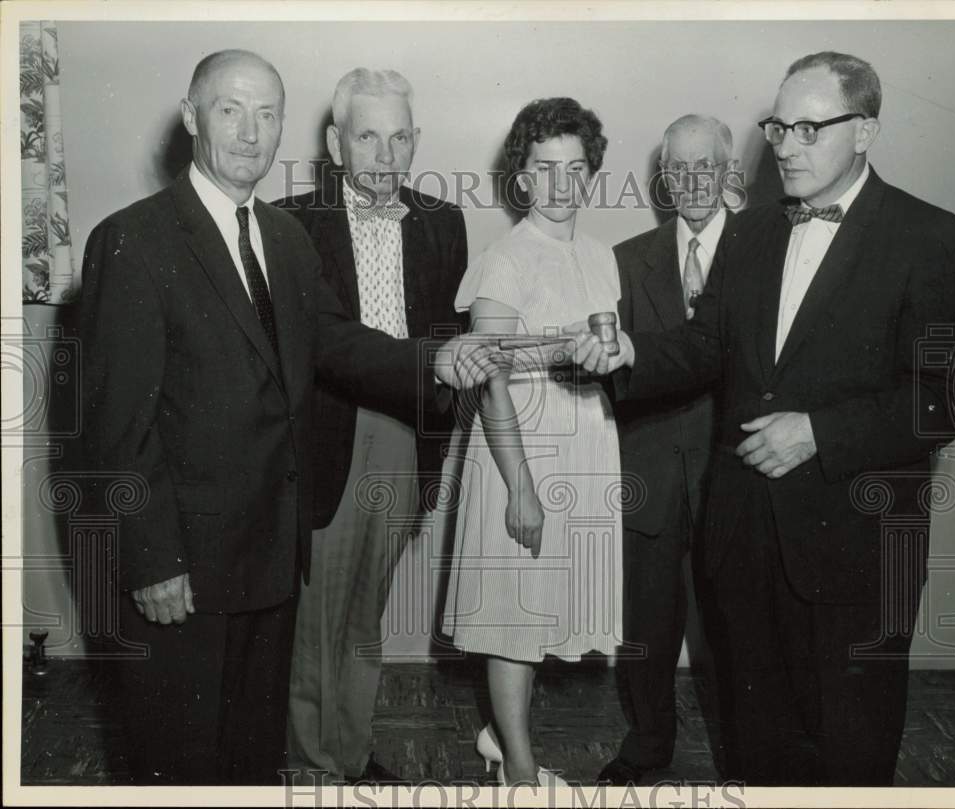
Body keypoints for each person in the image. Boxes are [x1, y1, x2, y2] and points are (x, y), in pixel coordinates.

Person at [77, 49, 495, 786]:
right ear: (190, 118)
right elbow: (115, 429)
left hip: (270, 553)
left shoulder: (283, 237)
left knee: (248, 755)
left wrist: (432, 361)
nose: (250, 132)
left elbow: (336, 339)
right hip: (184, 568)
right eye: (230, 110)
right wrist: (150, 559)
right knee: (176, 760)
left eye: (267, 114)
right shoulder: (132, 238)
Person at [571, 52, 955, 786]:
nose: (785, 144)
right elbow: (703, 346)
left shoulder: (930, 236)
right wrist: (630, 350)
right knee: (759, 751)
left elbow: (943, 397)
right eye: (778, 126)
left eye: (808, 128)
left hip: (857, 551)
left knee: (850, 756)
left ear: (866, 131)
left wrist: (819, 430)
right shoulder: (751, 233)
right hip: (747, 543)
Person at [273, 67, 468, 785]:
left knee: (366, 609)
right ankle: (309, 763)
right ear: (335, 142)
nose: (386, 155)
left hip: (404, 434)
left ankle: (348, 754)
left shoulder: (444, 222)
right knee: (315, 617)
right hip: (329, 434)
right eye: (368, 136)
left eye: (400, 137)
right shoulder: (289, 223)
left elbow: (444, 325)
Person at [441, 97, 622, 786]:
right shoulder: (504, 259)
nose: (560, 184)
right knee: (515, 613)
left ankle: (499, 734)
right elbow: (490, 382)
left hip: (584, 440)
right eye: (544, 168)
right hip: (521, 447)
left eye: (575, 168)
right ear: (521, 176)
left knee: (544, 603)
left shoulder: (603, 257)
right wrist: (520, 484)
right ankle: (518, 768)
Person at [598, 114, 737, 786]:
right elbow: (614, 375)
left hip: (731, 474)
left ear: (729, 169)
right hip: (649, 471)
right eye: (677, 169)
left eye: (705, 166)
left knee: (736, 629)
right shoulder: (626, 259)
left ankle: (746, 752)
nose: (692, 181)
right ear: (662, 180)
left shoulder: (766, 251)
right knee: (646, 626)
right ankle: (649, 742)